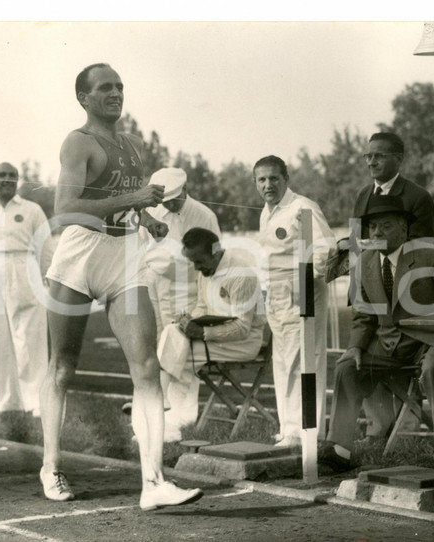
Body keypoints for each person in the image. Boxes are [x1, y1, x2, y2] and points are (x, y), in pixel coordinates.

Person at [38, 63, 202, 511]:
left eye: (120, 86)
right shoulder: (78, 142)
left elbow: (128, 202)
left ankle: (153, 482)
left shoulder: (132, 146)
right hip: (78, 255)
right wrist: (133, 200)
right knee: (62, 367)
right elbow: (65, 209)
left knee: (147, 365)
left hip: (124, 253)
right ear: (84, 98)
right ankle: (51, 465)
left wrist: (146, 218)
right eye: (105, 87)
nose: (116, 93)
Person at [320, 194, 434, 471]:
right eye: (372, 227)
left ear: (404, 229)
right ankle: (340, 450)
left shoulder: (426, 255)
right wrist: (356, 347)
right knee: (346, 367)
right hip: (387, 346)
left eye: (385, 225)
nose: (377, 232)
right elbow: (363, 315)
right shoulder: (364, 262)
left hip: (429, 341)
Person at [349, 132, 434, 443]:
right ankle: (377, 431)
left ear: (398, 160)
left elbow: (420, 250)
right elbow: (357, 247)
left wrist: (361, 246)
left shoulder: (418, 197)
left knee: (403, 365)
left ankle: (407, 435)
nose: (371, 161)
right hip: (372, 289)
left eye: (379, 155)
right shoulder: (363, 195)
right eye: (368, 156)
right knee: (361, 355)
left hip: (407, 296)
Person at [254, 155, 335, 448]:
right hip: (277, 295)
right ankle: (289, 428)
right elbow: (267, 260)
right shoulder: (267, 212)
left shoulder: (303, 207)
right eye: (261, 180)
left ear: (286, 179)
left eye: (274, 178)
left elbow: (327, 251)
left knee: (306, 360)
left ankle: (306, 432)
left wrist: (305, 279)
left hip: (303, 290)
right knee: (284, 361)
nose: (268, 185)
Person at [156, 228, 266, 441]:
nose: (196, 268)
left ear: (216, 252)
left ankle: (163, 412)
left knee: (180, 354)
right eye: (193, 263)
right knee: (174, 335)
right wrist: (189, 320)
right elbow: (202, 307)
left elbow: (243, 329)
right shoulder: (206, 271)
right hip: (215, 339)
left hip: (244, 343)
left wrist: (202, 332)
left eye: (199, 261)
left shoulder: (242, 275)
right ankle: (169, 417)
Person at [137, 169, 220, 440]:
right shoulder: (154, 214)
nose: (169, 206)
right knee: (153, 347)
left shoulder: (204, 215)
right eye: (165, 201)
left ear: (185, 189)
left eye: (174, 199)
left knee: (182, 353)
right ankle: (152, 420)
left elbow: (214, 258)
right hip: (155, 285)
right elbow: (141, 249)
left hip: (187, 288)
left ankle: (179, 421)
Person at [0, 162, 53, 416]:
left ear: (18, 181)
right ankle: (8, 400)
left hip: (23, 267)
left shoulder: (32, 209)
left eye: (12, 176)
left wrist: (46, 276)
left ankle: (36, 400)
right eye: (2, 175)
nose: (7, 179)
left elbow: (46, 246)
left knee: (29, 337)